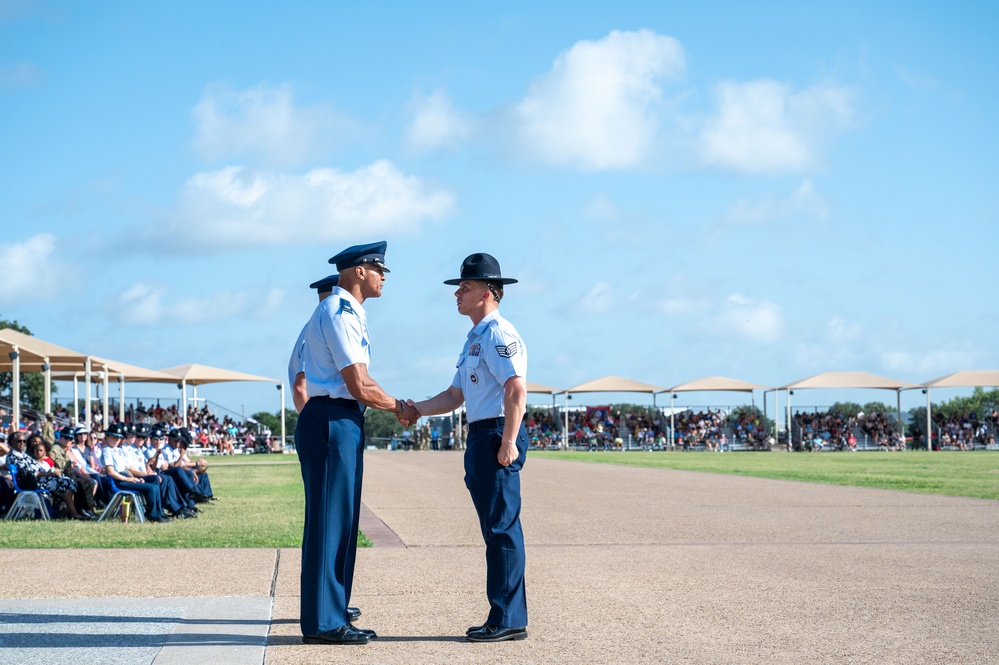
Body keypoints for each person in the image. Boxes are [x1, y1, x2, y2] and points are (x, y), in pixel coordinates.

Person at [295, 240, 417, 646]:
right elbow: (359, 383)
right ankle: (324, 622)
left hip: (340, 418)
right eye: (379, 269)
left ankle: (332, 611)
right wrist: (401, 406)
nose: (384, 277)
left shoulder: (349, 312)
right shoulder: (339, 311)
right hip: (332, 417)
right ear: (360, 271)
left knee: (341, 521)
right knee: (331, 522)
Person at [404, 252, 529, 643]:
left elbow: (516, 389)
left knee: (502, 528)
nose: (457, 293)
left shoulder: (498, 334)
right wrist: (416, 410)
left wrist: (508, 441)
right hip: (480, 434)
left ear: (490, 292)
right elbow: (455, 394)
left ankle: (508, 617)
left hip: (495, 434)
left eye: (466, 286)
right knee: (494, 529)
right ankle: (503, 613)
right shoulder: (475, 338)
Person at [289, 274, 339, 413]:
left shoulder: (313, 327)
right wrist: (313, 427)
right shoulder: (317, 331)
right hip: (324, 419)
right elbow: (301, 388)